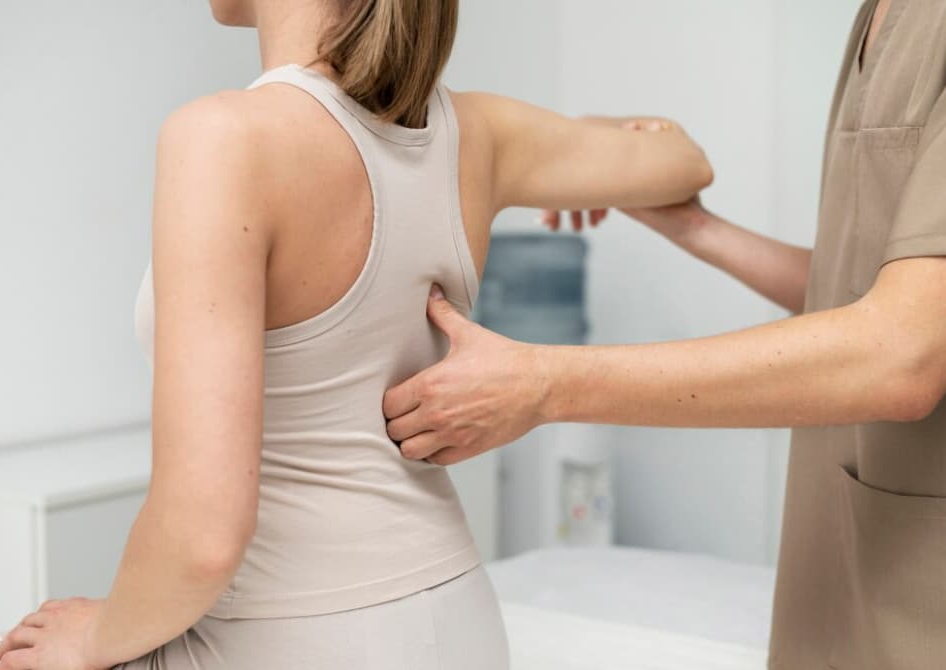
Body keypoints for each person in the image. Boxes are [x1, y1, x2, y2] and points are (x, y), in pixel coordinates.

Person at [0, 1, 713, 669]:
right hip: (460, 619)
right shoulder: (481, 131)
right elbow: (683, 163)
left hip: (286, 635)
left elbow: (203, 534)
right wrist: (588, 137)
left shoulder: (224, 137)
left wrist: (98, 634)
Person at [384, 0, 946, 668]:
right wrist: (691, 226)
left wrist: (542, 384)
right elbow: (863, 288)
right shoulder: (880, 14)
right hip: (844, 580)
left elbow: (903, 350)